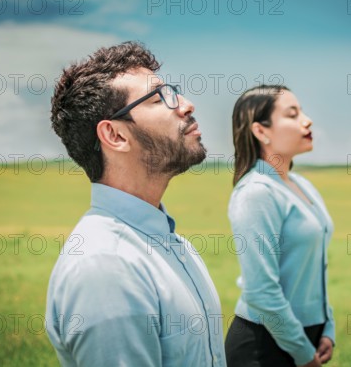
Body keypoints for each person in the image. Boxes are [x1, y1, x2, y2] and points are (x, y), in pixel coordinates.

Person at [45, 41, 226, 367]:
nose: (186, 105)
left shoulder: (174, 244)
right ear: (114, 135)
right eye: (159, 98)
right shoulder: (106, 268)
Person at [224, 85, 336, 366]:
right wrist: (301, 352)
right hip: (262, 348)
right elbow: (260, 290)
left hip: (306, 337)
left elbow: (316, 268)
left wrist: (327, 328)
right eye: (293, 114)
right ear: (261, 132)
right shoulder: (257, 192)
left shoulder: (302, 185)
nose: (307, 120)